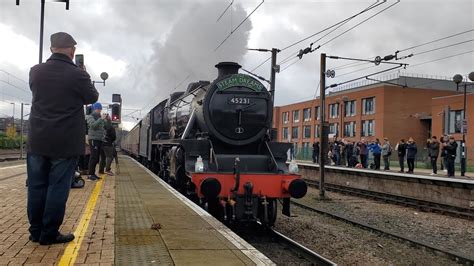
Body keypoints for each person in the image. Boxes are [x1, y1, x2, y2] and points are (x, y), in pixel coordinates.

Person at [27, 32, 98, 245]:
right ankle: (49, 234)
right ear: (72, 50)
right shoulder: (77, 75)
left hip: (38, 139)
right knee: (57, 187)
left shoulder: (35, 72)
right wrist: (82, 72)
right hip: (65, 142)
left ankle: (35, 231)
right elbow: (92, 97)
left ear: (51, 49)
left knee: (36, 186)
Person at [87, 102, 106, 180]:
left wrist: (104, 120)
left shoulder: (98, 117)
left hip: (98, 139)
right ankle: (90, 174)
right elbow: (93, 126)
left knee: (97, 157)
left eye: (100, 109)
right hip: (93, 139)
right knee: (93, 157)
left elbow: (101, 127)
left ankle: (93, 173)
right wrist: (101, 119)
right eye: (98, 109)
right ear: (95, 109)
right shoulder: (90, 116)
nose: (100, 111)